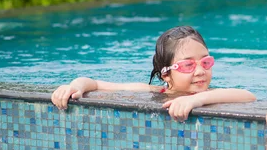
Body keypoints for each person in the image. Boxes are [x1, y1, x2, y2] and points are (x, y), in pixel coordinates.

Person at [51, 26, 256, 121]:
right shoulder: (152, 91)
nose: (201, 71)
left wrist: (198, 100)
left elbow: (248, 96)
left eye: (205, 62)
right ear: (166, 75)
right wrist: (74, 87)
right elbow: (94, 83)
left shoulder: (211, 94)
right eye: (188, 66)